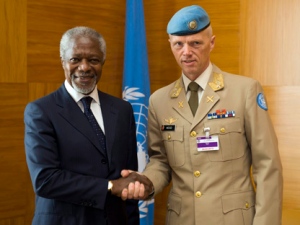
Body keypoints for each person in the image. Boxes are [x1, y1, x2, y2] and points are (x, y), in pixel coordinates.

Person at [121, 5, 283, 225]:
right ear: (170, 45)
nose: (186, 52)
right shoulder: (158, 101)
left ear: (212, 42)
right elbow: (160, 161)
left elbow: (267, 166)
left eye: (195, 43)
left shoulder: (245, 91)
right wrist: (146, 181)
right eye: (179, 44)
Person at [24, 26, 142, 225]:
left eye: (93, 60)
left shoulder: (122, 110)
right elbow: (45, 180)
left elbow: (127, 177)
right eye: (75, 59)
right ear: (63, 61)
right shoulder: (41, 111)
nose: (85, 67)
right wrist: (109, 186)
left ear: (103, 62)